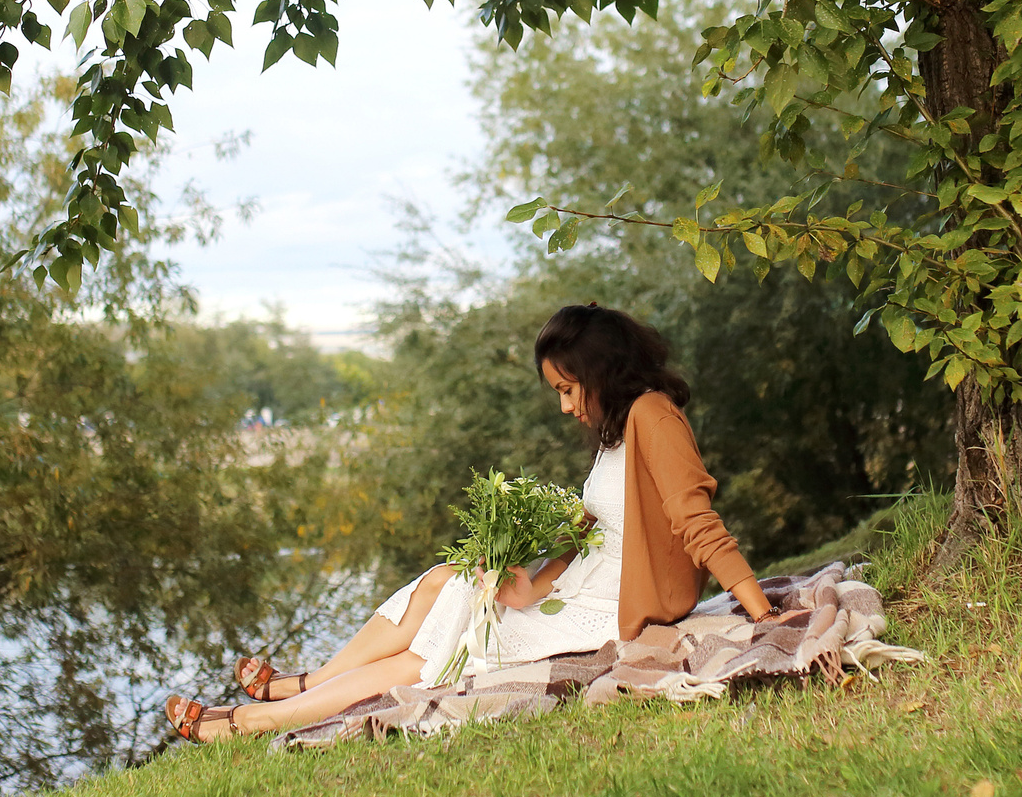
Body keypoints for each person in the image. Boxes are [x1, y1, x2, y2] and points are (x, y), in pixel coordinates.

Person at [166, 304, 787, 742]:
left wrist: (761, 614)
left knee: (448, 633)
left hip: (615, 608)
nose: (566, 405)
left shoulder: (654, 415)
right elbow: (590, 538)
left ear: (603, 373)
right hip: (583, 591)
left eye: (570, 389)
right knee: (456, 579)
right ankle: (304, 687)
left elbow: (696, 520)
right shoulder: (617, 430)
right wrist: (534, 586)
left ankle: (259, 718)